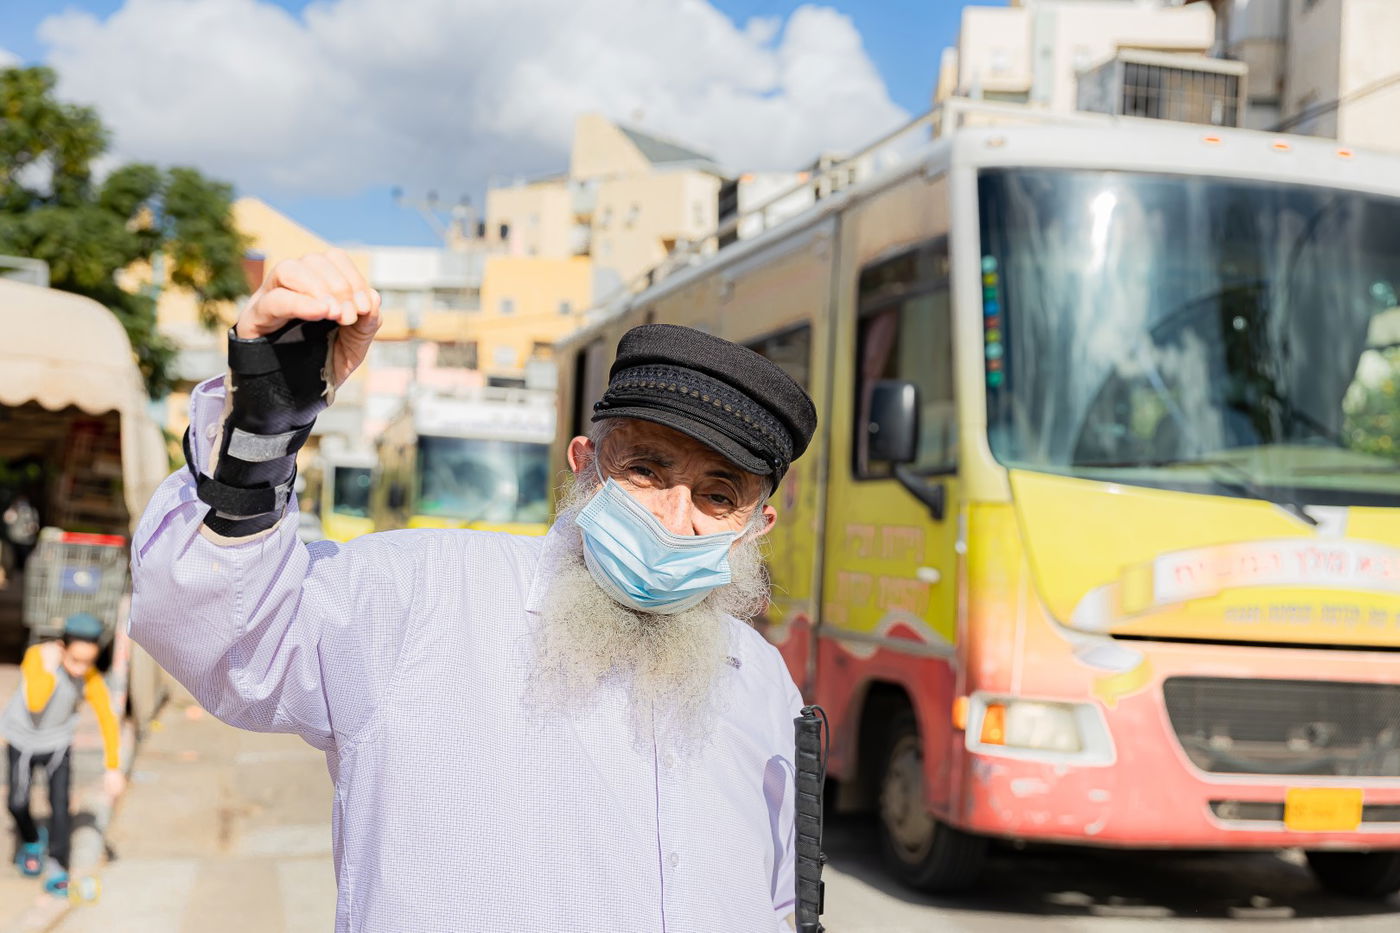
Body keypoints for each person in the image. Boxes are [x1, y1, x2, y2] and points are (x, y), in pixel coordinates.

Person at [130, 250, 818, 931]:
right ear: (584, 467)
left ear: (756, 527)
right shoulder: (423, 593)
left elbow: (779, 896)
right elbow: (228, 633)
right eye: (644, 469)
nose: (674, 517)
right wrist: (260, 434)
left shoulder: (760, 680)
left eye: (717, 494)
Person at [3, 613, 124, 895]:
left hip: (57, 745)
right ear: (61, 648)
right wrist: (48, 668)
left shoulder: (89, 678)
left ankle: (58, 864)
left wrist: (113, 767)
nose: (81, 669)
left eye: (88, 662)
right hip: (23, 741)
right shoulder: (36, 657)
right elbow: (35, 703)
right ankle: (32, 839)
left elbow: (107, 716)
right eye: (75, 660)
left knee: (60, 807)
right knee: (17, 802)